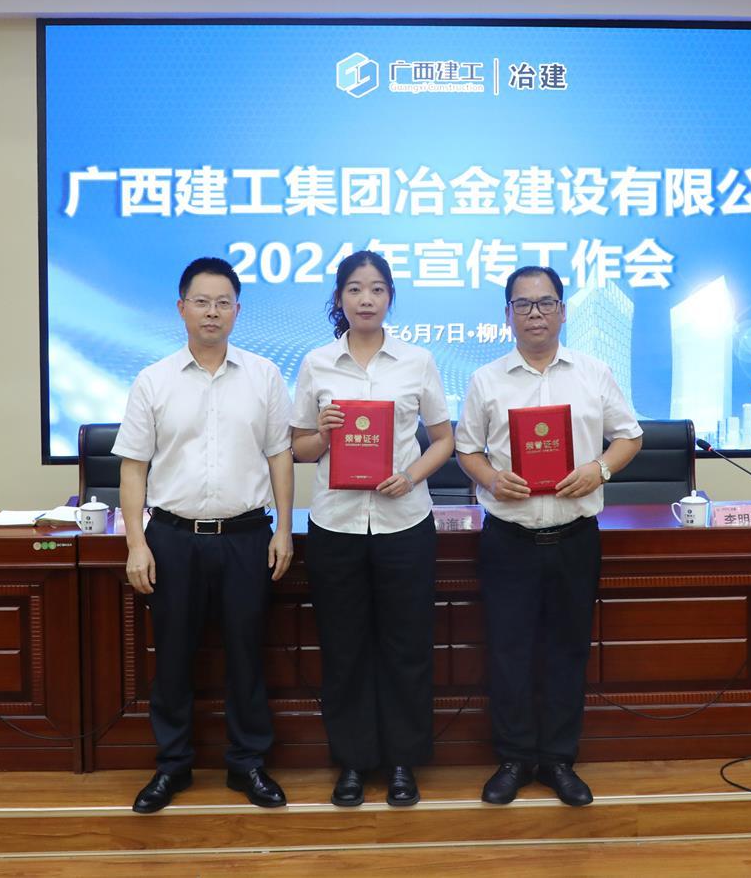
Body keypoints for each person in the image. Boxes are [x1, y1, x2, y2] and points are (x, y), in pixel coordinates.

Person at [455, 265, 642, 806]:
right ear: (507, 314)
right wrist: (492, 478)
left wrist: (599, 470)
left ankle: (559, 760)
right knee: (508, 652)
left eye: (545, 303)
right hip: (509, 540)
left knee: (567, 651)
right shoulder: (486, 379)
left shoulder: (593, 373)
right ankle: (514, 759)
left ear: (563, 311)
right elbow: (467, 449)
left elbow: (629, 437)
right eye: (523, 304)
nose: (534, 313)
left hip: (574, 537)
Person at [113, 256, 294, 814]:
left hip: (246, 535)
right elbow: (133, 467)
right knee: (172, 658)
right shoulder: (154, 380)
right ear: (181, 308)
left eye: (223, 303)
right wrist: (137, 544)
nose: (211, 312)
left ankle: (248, 764)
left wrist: (285, 529)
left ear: (237, 311)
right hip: (172, 537)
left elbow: (280, 455)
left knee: (247, 654)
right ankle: (172, 766)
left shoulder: (264, 375)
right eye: (201, 301)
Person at [291, 249, 454, 807]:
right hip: (335, 524)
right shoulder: (317, 363)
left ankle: (403, 761)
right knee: (344, 649)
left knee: (407, 647)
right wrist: (324, 434)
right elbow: (298, 448)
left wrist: (411, 476)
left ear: (390, 298)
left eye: (378, 289)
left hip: (404, 523)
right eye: (355, 289)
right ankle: (354, 763)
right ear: (339, 298)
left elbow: (444, 439)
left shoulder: (417, 361)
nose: (366, 299)